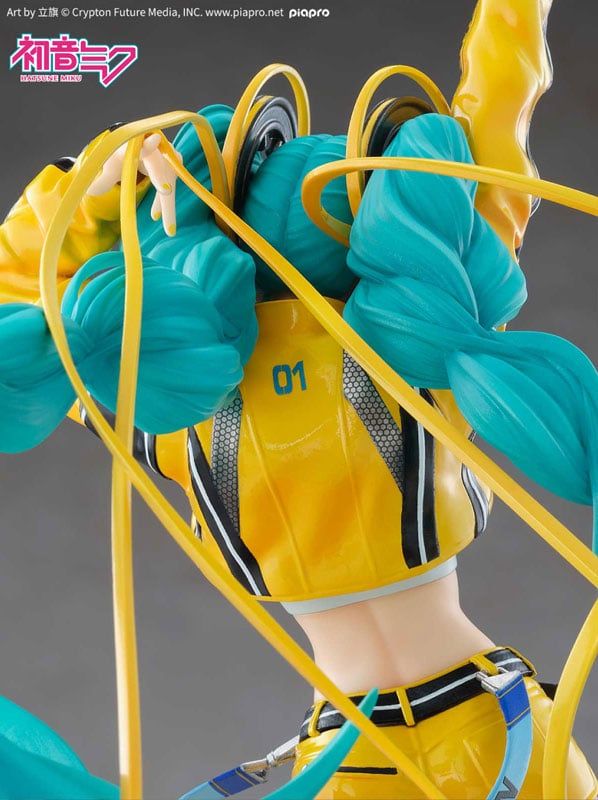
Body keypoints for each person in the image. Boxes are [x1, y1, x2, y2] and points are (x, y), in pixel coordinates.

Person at [0, 1, 596, 797]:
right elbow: (500, 106)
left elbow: (22, 291)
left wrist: (91, 190)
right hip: (484, 726)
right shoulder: (415, 329)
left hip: (374, 752)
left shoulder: (181, 394)